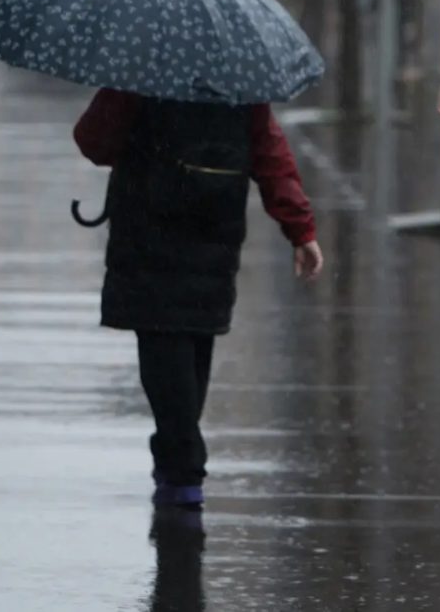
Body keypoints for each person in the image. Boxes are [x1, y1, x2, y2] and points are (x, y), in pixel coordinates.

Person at [74, 91, 324, 509]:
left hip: (148, 235)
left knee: (163, 351)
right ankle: (180, 463)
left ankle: (182, 466)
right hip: (213, 234)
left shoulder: (141, 72)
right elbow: (269, 154)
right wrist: (301, 229)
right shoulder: (239, 83)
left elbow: (94, 142)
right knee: (192, 349)